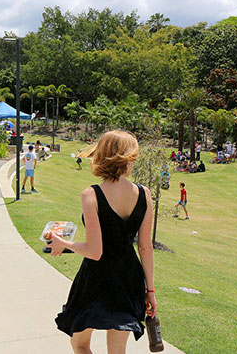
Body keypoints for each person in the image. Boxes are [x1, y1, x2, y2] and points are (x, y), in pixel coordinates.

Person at [48, 130, 156, 354]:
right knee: (117, 352)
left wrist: (63, 243)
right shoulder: (145, 194)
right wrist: (150, 291)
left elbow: (95, 251)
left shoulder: (91, 195)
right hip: (129, 278)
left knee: (79, 344)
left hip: (96, 278)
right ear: (126, 158)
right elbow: (145, 247)